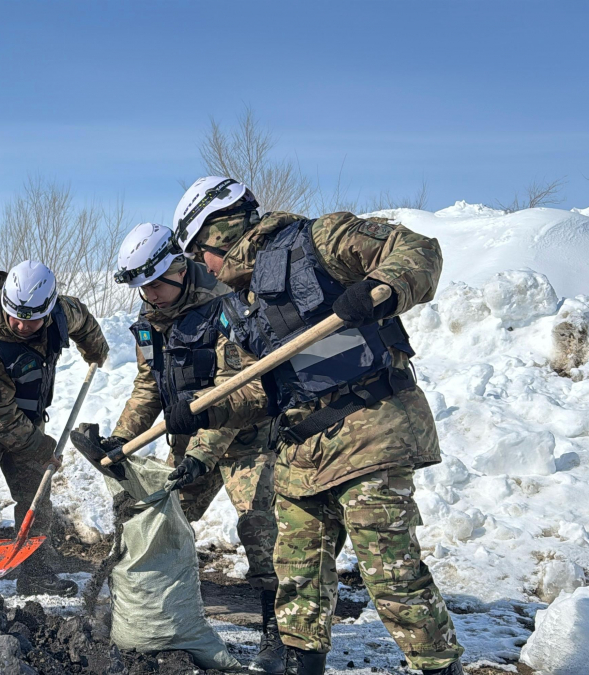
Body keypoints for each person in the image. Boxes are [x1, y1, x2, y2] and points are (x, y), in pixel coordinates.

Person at [165, 176, 463, 675]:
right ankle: (303, 663)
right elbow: (255, 389)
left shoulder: (318, 240)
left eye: (200, 254)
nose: (204, 267)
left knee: (389, 572)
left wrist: (379, 288)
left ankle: (438, 665)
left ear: (218, 233)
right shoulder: (238, 307)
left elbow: (417, 250)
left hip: (372, 426)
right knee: (298, 577)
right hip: (304, 449)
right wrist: (210, 410)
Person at [97, 221, 284, 672]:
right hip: (187, 443)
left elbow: (233, 389)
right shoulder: (150, 322)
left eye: (157, 284)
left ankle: (277, 632)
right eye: (142, 288)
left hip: (245, 439)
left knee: (261, 530)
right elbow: (149, 385)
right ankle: (146, 612)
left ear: (180, 267)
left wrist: (204, 454)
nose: (151, 295)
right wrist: (121, 439)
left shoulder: (227, 303)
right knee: (158, 519)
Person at [0, 260, 109, 597]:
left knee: (37, 487)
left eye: (32, 319)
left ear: (48, 310)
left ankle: (36, 571)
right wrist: (43, 447)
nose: (22, 325)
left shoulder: (60, 312)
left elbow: (83, 321)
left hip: (27, 413)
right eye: (16, 316)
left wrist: (96, 350)